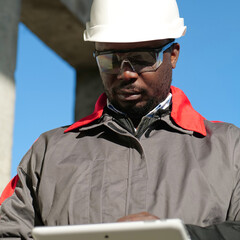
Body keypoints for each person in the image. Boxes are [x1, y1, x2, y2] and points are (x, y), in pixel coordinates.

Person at [1, 0, 240, 239]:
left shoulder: (229, 148)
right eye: (110, 59)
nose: (125, 73)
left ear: (173, 55)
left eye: (142, 57)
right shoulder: (48, 152)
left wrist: (181, 236)